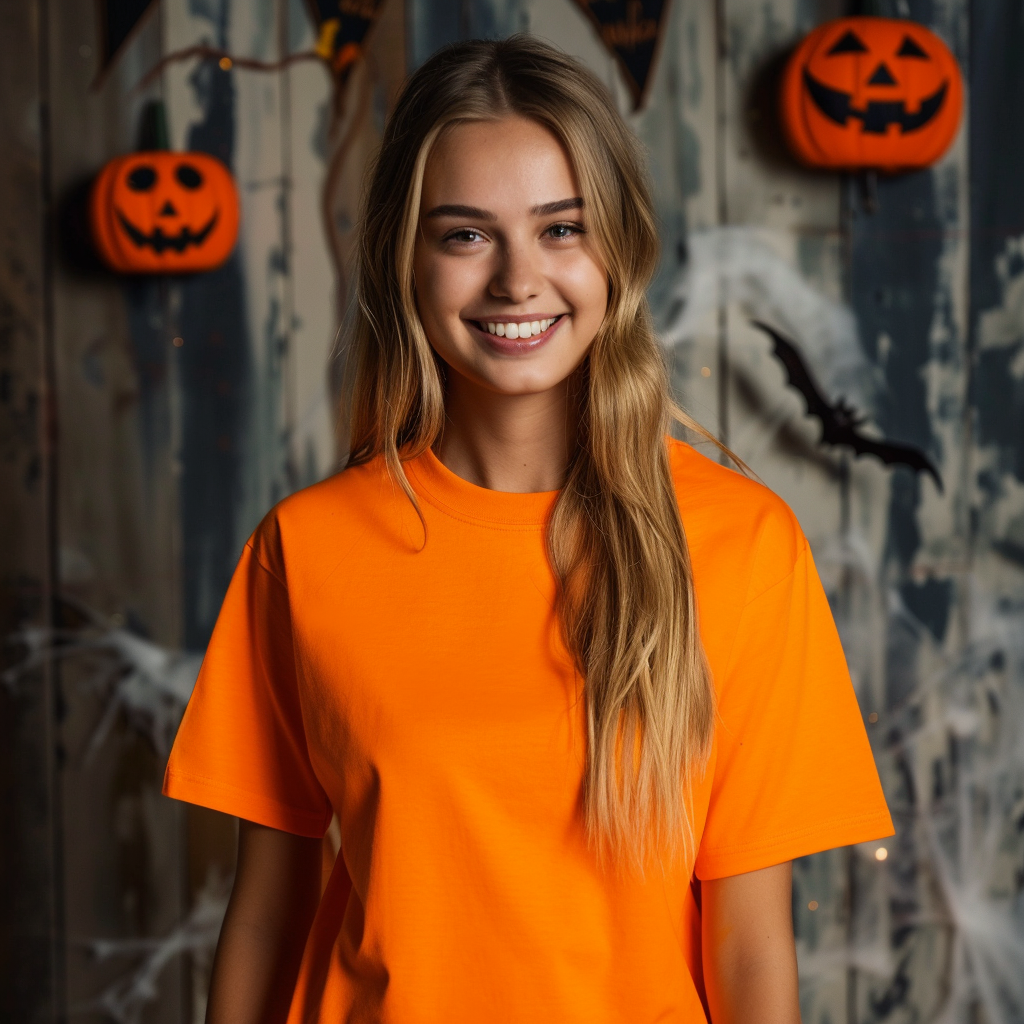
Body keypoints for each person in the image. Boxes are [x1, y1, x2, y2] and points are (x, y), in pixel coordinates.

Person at [164, 35, 893, 1024]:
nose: (517, 278)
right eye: (465, 234)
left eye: (562, 229)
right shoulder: (306, 549)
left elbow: (752, 943)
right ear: (404, 255)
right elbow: (264, 914)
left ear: (620, 248)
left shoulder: (742, 545)